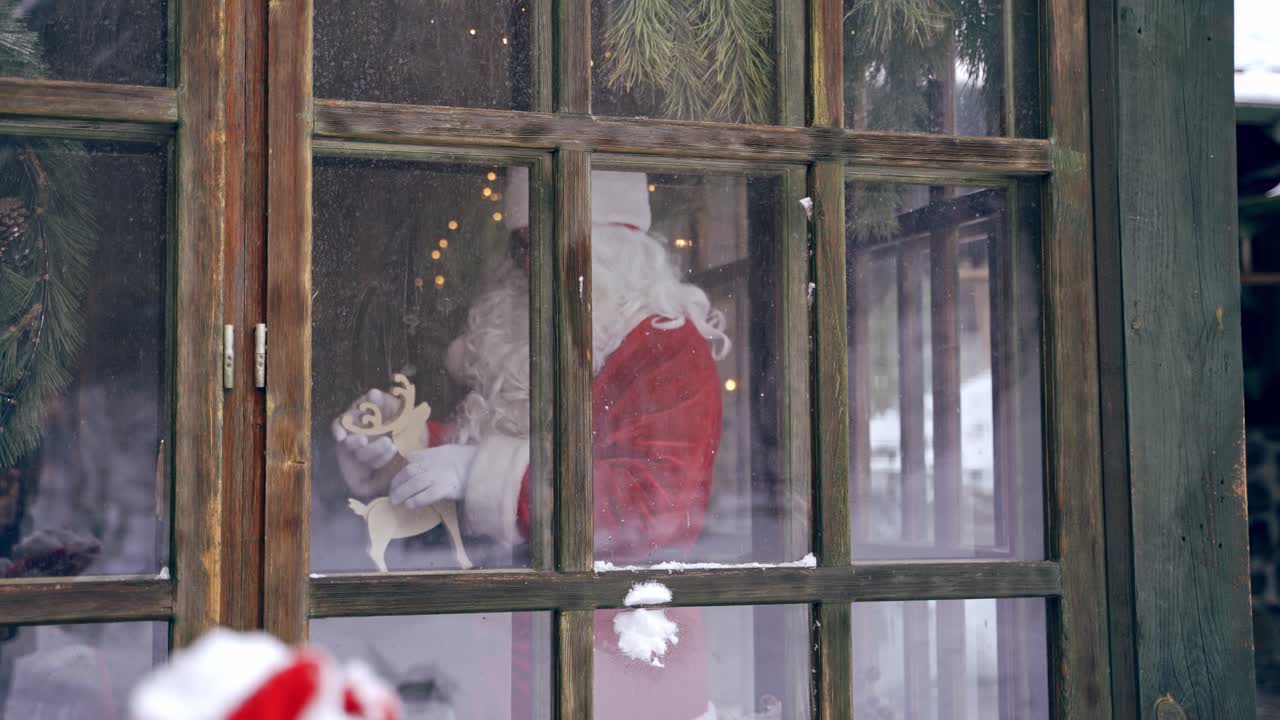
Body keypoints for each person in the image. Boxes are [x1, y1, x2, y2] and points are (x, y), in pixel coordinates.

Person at [332, 169, 730, 720]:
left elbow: (649, 508)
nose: (530, 269)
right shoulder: (540, 341)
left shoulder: (668, 347)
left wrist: (479, 472)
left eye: (548, 248)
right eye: (521, 249)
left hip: (623, 662)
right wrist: (400, 440)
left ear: (612, 249)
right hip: (510, 654)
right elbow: (488, 450)